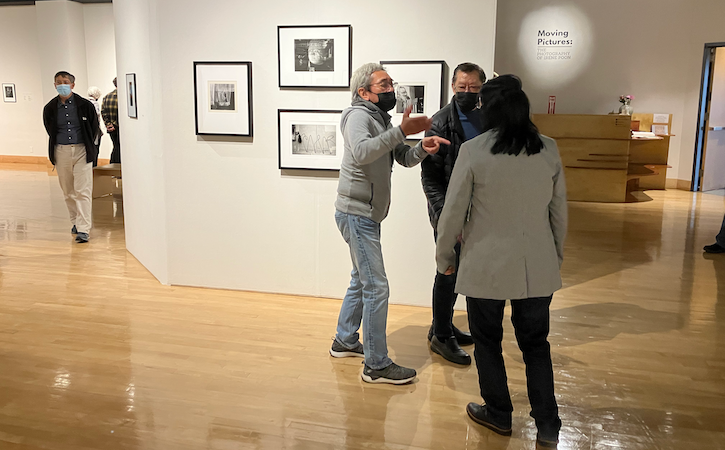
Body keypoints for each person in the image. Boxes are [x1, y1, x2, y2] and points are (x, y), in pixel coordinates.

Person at [435, 75, 567, 448]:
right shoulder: (549, 149)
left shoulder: (475, 151)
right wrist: (554, 255)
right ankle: (547, 424)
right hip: (536, 265)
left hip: (485, 265)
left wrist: (444, 257)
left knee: (487, 340)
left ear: (489, 110)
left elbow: (453, 214)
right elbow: (559, 213)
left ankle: (499, 412)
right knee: (536, 344)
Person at [330, 63, 450, 385]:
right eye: (383, 85)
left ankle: (344, 340)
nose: (390, 90)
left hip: (367, 214)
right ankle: (376, 364)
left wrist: (421, 149)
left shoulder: (380, 119)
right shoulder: (357, 117)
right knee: (377, 287)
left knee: (361, 278)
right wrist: (401, 130)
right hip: (356, 214)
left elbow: (401, 157)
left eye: (390, 84)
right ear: (363, 92)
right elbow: (364, 152)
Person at [421, 62, 487, 365]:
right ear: (453, 88)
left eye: (473, 88)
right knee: (447, 271)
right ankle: (442, 338)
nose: (467, 92)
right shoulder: (441, 122)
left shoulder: (488, 119)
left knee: (462, 271)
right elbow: (430, 176)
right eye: (462, 88)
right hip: (449, 210)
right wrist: (444, 218)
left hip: (480, 211)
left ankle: (441, 325)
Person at [42, 71, 100, 244]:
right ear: (54, 85)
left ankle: (83, 229)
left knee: (83, 190)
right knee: (68, 191)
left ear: (73, 85)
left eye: (65, 82)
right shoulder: (50, 108)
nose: (61, 85)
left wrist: (91, 149)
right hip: (61, 151)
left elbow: (94, 127)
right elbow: (49, 128)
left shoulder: (85, 105)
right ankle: (75, 221)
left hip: (82, 150)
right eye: (58, 82)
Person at [102, 77, 120, 164]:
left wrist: (108, 124)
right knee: (120, 149)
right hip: (120, 128)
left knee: (115, 147)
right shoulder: (122, 97)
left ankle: (113, 168)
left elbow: (103, 112)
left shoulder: (106, 97)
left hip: (111, 128)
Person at [87, 86, 103, 166]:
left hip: (87, 131)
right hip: (95, 130)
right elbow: (97, 118)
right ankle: (94, 167)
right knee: (95, 150)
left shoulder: (86, 103)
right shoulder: (95, 104)